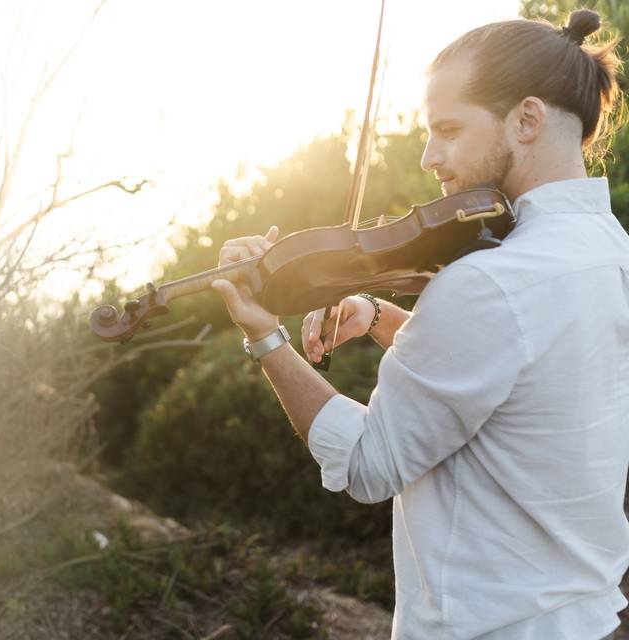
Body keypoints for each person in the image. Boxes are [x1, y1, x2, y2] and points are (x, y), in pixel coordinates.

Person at [212, 10, 629, 640]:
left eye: (449, 129)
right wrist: (380, 315)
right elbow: (526, 372)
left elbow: (366, 463)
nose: (430, 156)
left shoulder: (487, 283)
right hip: (594, 617)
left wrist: (264, 337)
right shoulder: (610, 250)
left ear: (527, 119)